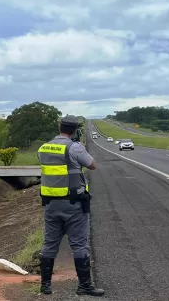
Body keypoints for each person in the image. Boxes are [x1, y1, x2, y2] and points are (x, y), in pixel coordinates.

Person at [37, 115, 104, 297]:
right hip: (73, 205)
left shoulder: (43, 148)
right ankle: (84, 286)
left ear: (60, 127)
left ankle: (45, 286)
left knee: (49, 245)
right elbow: (92, 165)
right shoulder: (74, 147)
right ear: (75, 130)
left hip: (51, 205)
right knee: (80, 246)